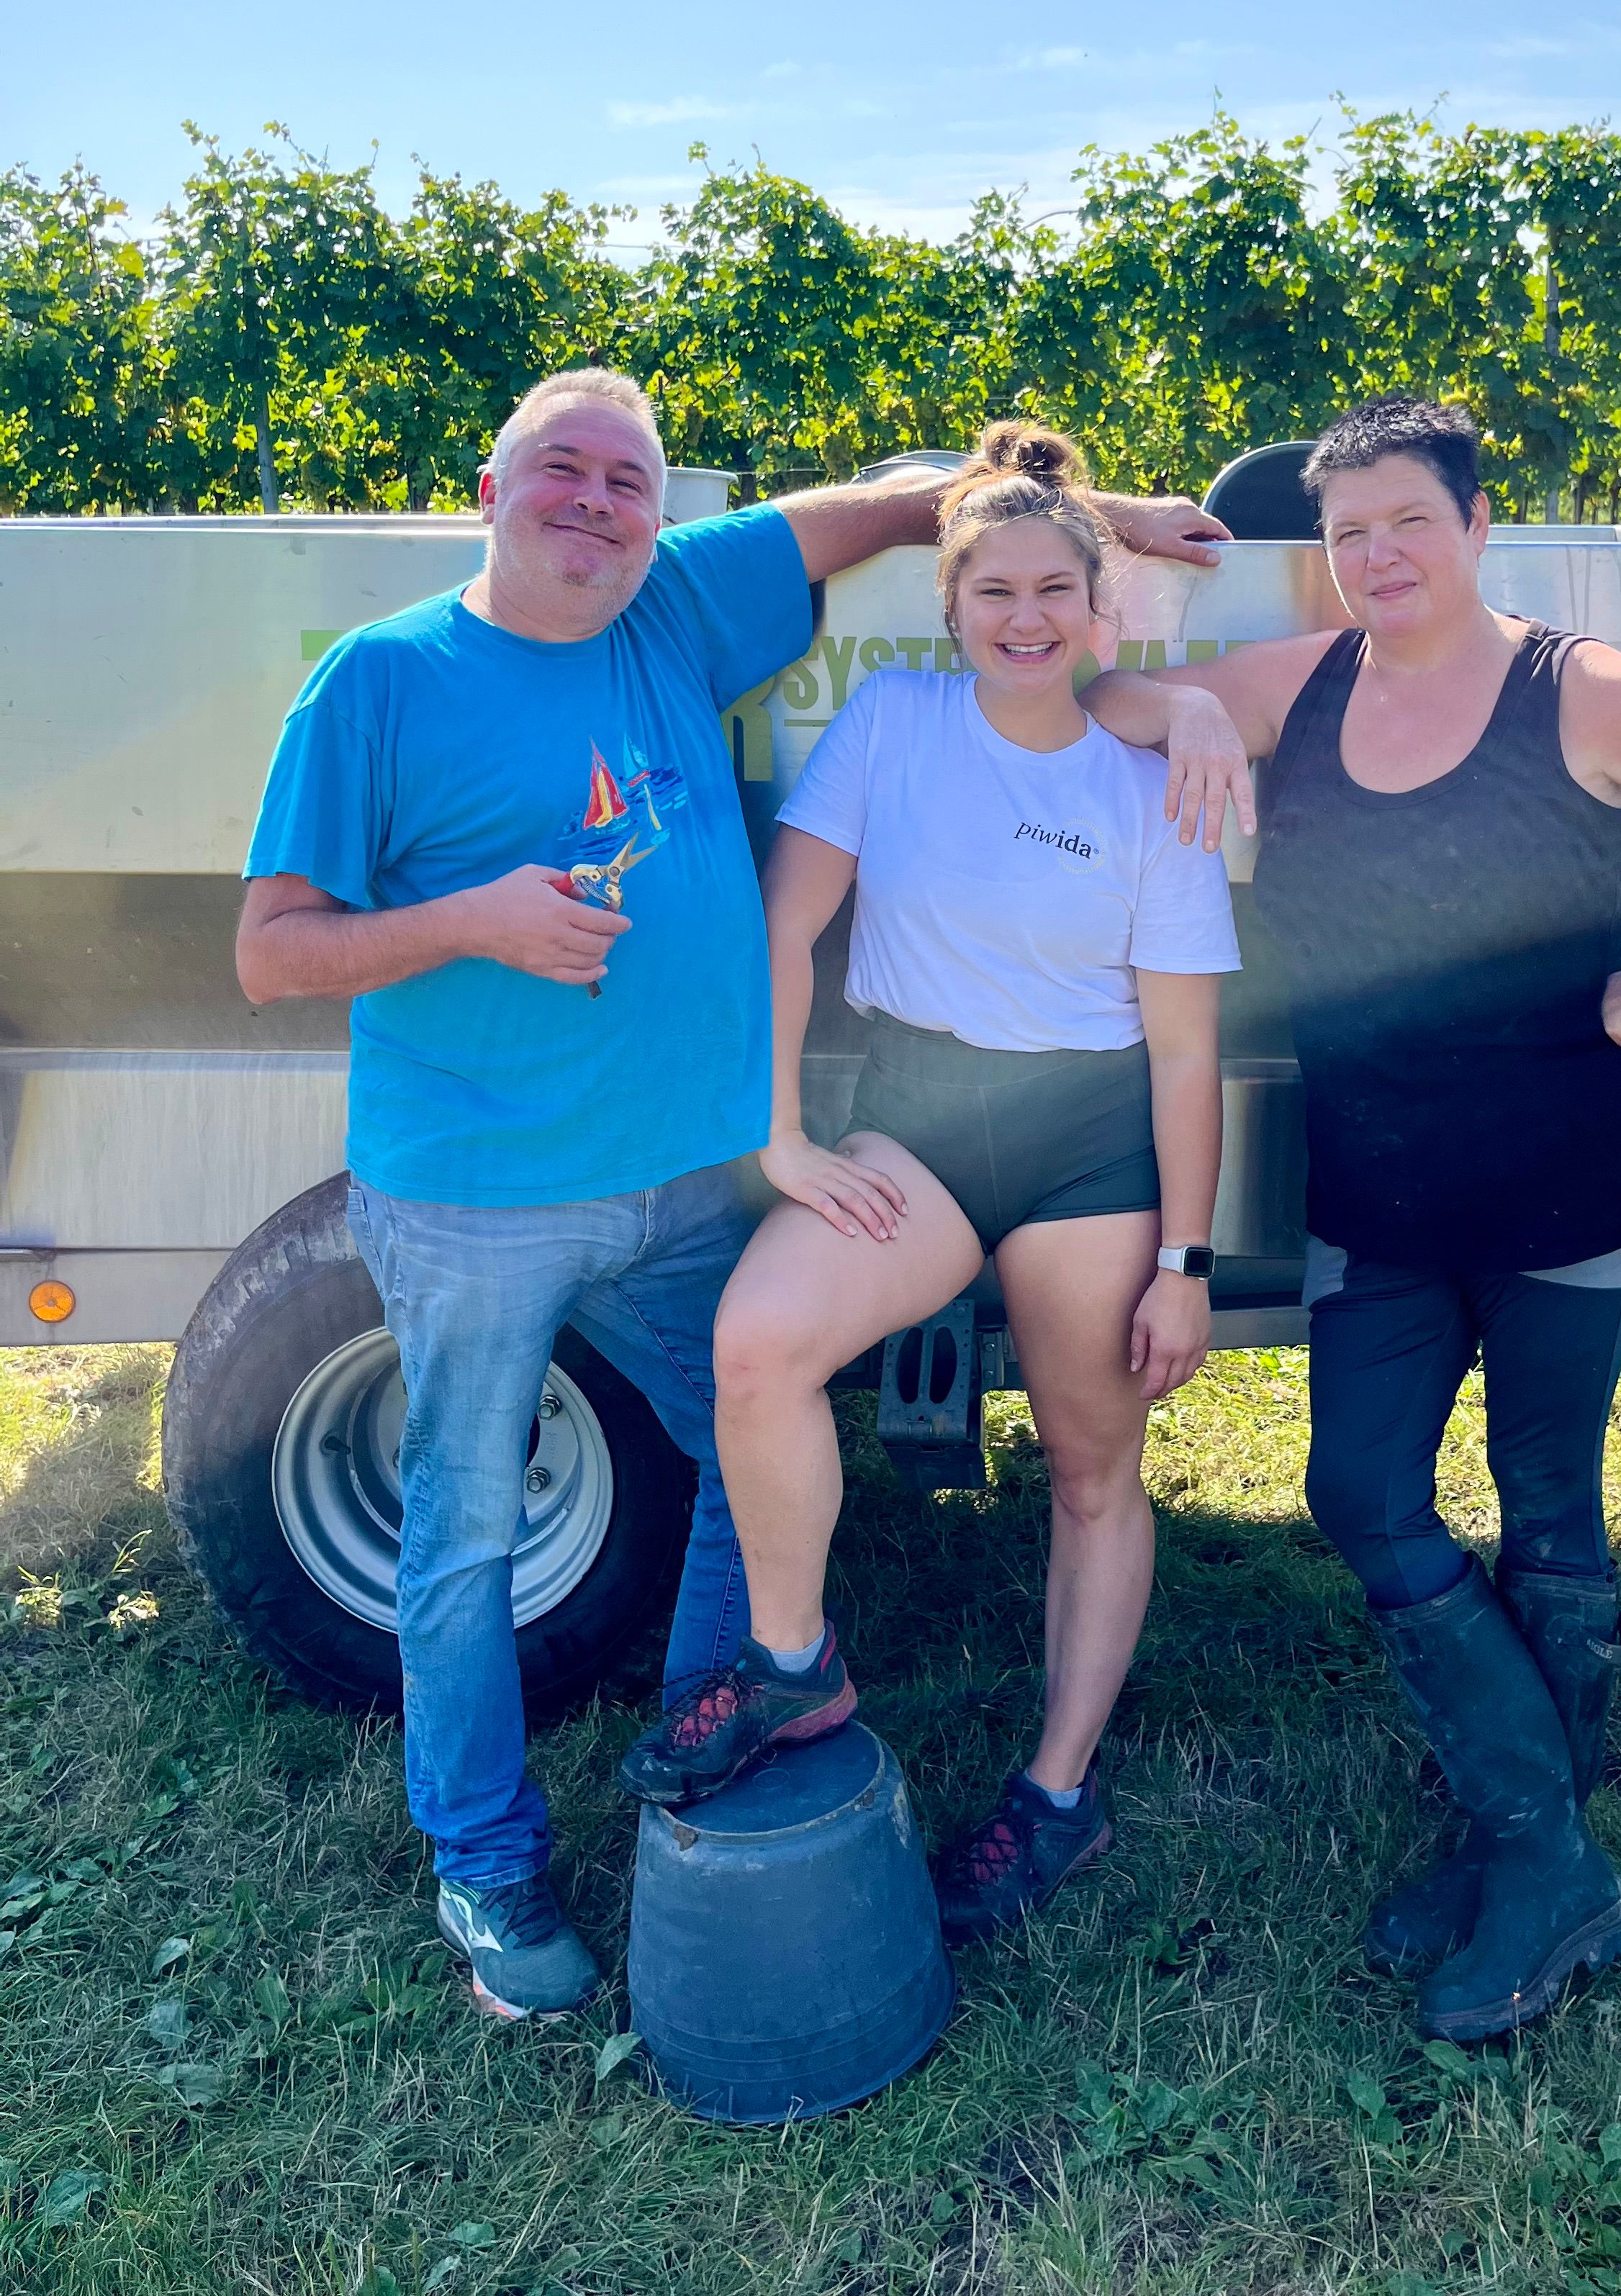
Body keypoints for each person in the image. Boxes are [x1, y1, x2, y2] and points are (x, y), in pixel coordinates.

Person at [235, 371, 1227, 2019]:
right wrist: (474, 920)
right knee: (463, 1534)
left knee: (743, 1441)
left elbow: (910, 502)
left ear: (660, 512)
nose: (595, 503)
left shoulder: (674, 608)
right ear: (489, 488)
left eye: (628, 480)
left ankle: (737, 1708)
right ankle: (485, 1861)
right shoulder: (381, 680)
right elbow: (272, 952)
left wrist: (1101, 526)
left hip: (682, 1188)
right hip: (482, 1196)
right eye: (561, 469)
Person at [1083, 396, 1621, 2040]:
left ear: (1477, 525)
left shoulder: (1577, 692)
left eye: (1409, 523)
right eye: (1350, 533)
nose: (1380, 557)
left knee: (1547, 1507)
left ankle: (1529, 1859)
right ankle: (1546, 1848)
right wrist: (1191, 704)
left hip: (1561, 1185)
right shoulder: (1310, 682)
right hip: (1380, 1190)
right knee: (1360, 1490)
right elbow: (1105, 701)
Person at [615, 424, 1242, 1943]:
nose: (1024, 618)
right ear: (949, 606)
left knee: (1090, 1471)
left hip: (1091, 1145)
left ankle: (1057, 1795)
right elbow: (785, 927)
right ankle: (790, 1665)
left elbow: (1182, 1055)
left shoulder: (1152, 780)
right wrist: (781, 1139)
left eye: (1053, 591)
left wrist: (1187, 1263)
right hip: (920, 1122)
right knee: (759, 1344)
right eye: (993, 592)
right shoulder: (892, 720)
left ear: (1097, 610)